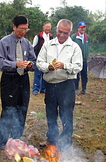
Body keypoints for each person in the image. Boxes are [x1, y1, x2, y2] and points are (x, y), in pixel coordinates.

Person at [36, 19, 82, 151]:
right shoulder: (48, 45)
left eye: (65, 33)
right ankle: (52, 140)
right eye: (60, 32)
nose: (62, 35)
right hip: (50, 84)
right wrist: (48, 67)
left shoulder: (74, 47)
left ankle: (66, 141)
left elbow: (78, 67)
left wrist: (65, 65)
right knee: (50, 113)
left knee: (66, 113)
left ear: (70, 32)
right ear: (56, 30)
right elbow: (39, 62)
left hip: (66, 85)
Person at [0, 15, 36, 150]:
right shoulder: (4, 42)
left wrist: (30, 65)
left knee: (22, 108)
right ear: (14, 27)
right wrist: (15, 64)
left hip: (23, 78)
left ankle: (16, 138)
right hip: (9, 78)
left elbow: (34, 60)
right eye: (20, 29)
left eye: (25, 29)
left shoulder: (27, 43)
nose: (23, 32)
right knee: (8, 108)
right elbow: (0, 62)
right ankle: (2, 139)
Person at [32, 21, 53, 95]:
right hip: (39, 57)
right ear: (43, 27)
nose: (48, 29)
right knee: (37, 74)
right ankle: (35, 89)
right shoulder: (38, 36)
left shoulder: (51, 36)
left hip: (47, 58)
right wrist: (34, 58)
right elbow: (34, 47)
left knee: (45, 73)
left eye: (49, 27)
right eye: (46, 27)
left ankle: (43, 89)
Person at [71, 21, 90, 94]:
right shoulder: (74, 37)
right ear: (78, 28)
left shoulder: (87, 37)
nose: (83, 29)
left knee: (84, 74)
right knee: (76, 74)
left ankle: (84, 89)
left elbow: (88, 47)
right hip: (76, 59)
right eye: (81, 27)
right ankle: (76, 88)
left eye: (84, 27)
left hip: (84, 59)